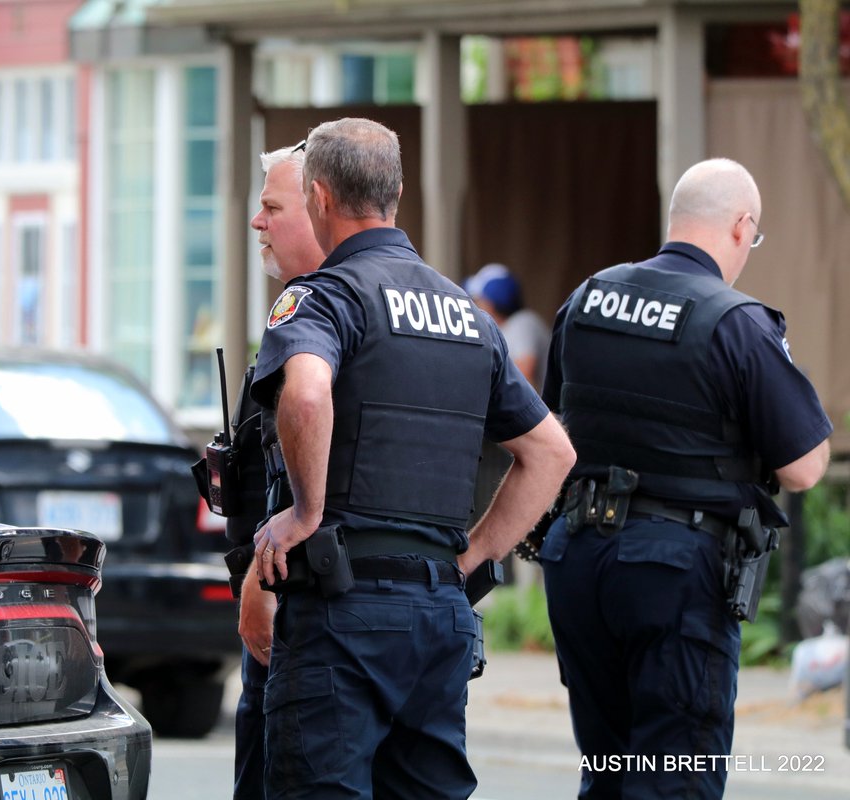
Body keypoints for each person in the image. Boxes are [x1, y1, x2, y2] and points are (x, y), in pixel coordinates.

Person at [249, 117, 575, 798]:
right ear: (394, 193)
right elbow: (550, 451)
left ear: (319, 197)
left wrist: (305, 512)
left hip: (343, 611)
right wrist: (475, 555)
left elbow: (305, 396)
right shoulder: (468, 314)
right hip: (439, 616)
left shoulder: (324, 298)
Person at [538, 158, 832, 799]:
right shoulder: (735, 321)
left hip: (579, 559)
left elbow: (554, 429)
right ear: (740, 226)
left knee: (610, 770)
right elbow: (806, 464)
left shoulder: (587, 298)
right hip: (673, 571)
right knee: (676, 777)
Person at [222, 142, 326, 799]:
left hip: (302, 597)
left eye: (271, 207)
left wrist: (262, 574)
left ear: (320, 210)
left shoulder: (318, 313)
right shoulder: (300, 311)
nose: (256, 223)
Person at [464, 262, 550, 390]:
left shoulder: (523, 322)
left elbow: (523, 376)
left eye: (478, 300)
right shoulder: (501, 329)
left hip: (547, 408)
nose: (474, 305)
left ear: (491, 303)